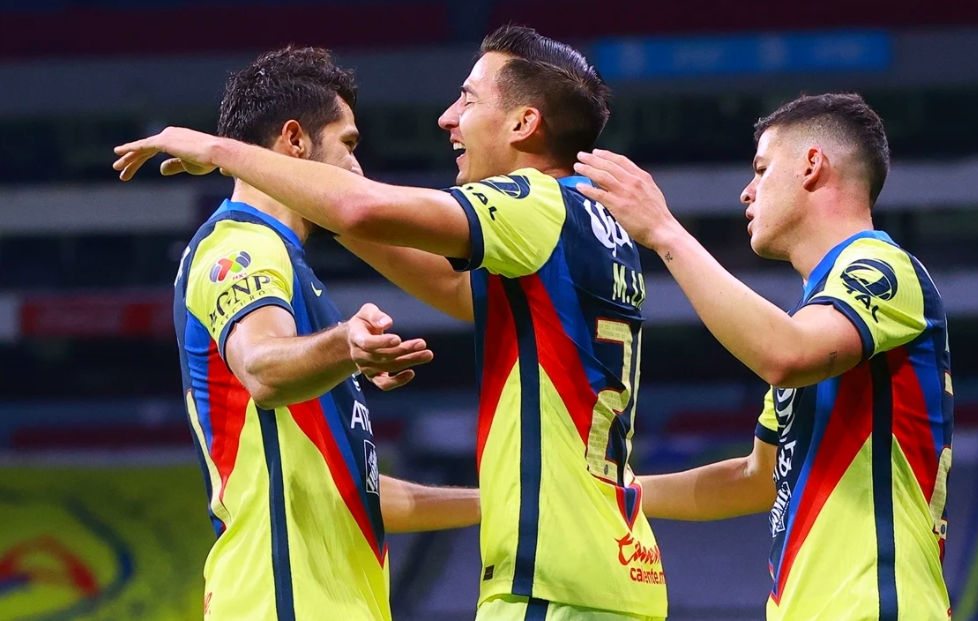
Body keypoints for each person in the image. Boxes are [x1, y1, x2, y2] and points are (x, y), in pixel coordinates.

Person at [115, 26, 668, 621]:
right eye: (349, 144)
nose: (447, 118)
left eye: (468, 99)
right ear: (295, 141)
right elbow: (440, 294)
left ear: (523, 123)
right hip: (600, 569)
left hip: (551, 583)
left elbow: (359, 207)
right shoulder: (593, 226)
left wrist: (219, 149)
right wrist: (499, 499)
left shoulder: (535, 202)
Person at [574, 93, 954, 620]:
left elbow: (786, 354)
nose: (746, 192)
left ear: (812, 165)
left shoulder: (883, 267)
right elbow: (756, 477)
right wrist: (612, 492)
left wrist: (663, 231)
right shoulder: (815, 319)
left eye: (761, 169)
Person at [169, 47, 479, 621]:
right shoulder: (242, 246)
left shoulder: (295, 273)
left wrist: (503, 504)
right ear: (294, 140)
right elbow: (261, 369)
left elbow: (356, 492)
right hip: (280, 600)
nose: (357, 170)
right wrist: (344, 344)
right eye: (349, 145)